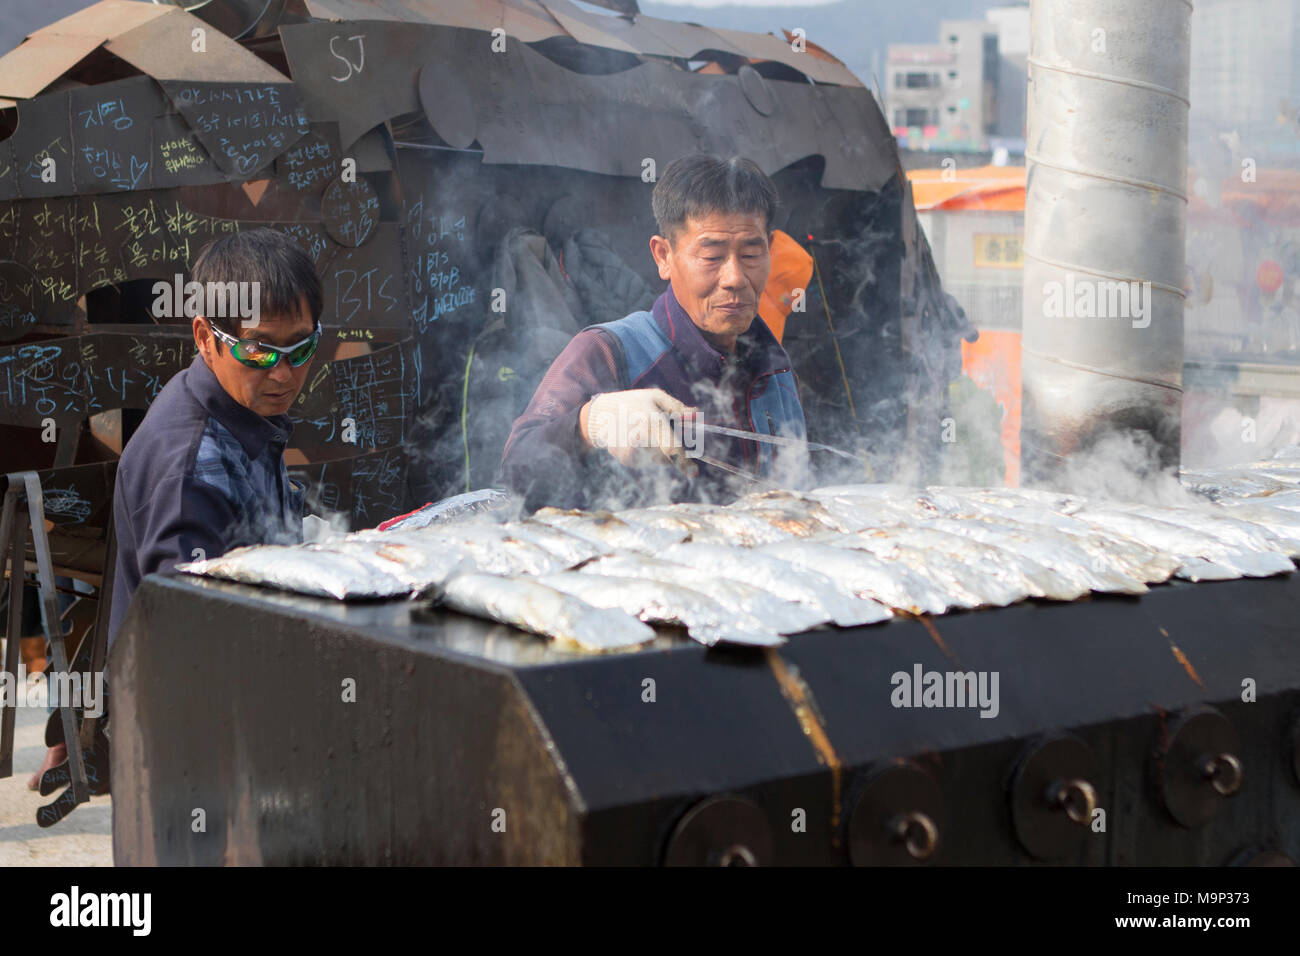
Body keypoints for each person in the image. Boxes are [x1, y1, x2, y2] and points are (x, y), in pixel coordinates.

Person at [500, 155, 807, 512]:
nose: (735, 278)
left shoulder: (775, 368)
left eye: (752, 254)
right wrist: (590, 423)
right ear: (664, 256)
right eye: (712, 257)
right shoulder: (608, 351)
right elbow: (514, 470)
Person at [108, 228, 322, 641]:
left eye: (301, 349)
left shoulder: (236, 405)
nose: (282, 374)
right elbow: (187, 647)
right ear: (206, 338)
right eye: (258, 351)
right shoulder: (191, 474)